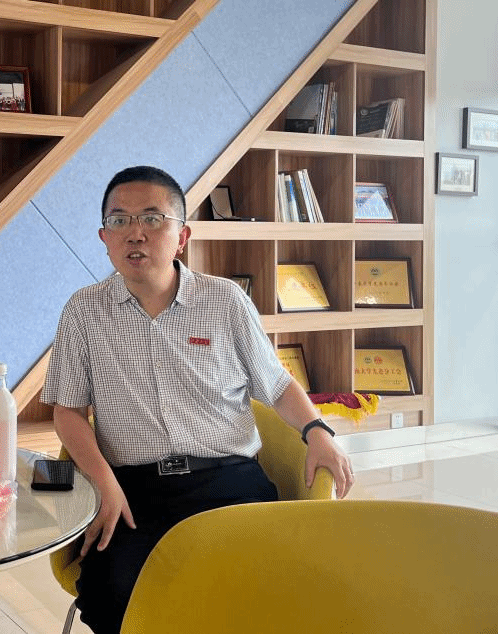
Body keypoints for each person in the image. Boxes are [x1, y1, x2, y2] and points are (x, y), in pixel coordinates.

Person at [40, 165, 354, 634]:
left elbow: (277, 384)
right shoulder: (84, 311)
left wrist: (317, 431)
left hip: (228, 483)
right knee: (114, 593)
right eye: (119, 221)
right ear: (104, 238)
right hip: (133, 492)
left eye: (152, 218)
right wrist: (104, 482)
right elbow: (67, 410)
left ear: (182, 236)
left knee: (276, 586)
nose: (135, 234)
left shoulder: (225, 301)